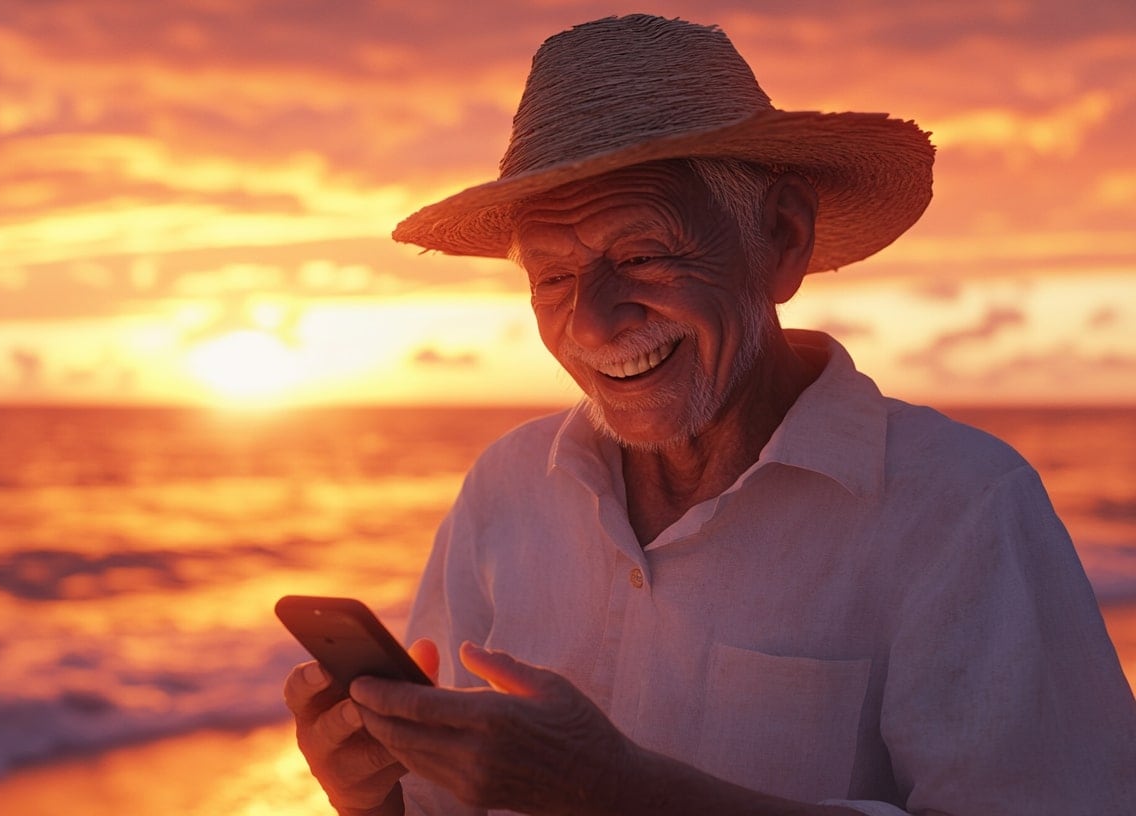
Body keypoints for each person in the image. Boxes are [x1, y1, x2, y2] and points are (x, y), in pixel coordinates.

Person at [283, 14, 1136, 816]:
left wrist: (614, 792)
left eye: (641, 254)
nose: (592, 320)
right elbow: (439, 799)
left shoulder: (962, 506)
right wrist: (373, 794)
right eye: (550, 276)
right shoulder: (505, 488)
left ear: (781, 238)